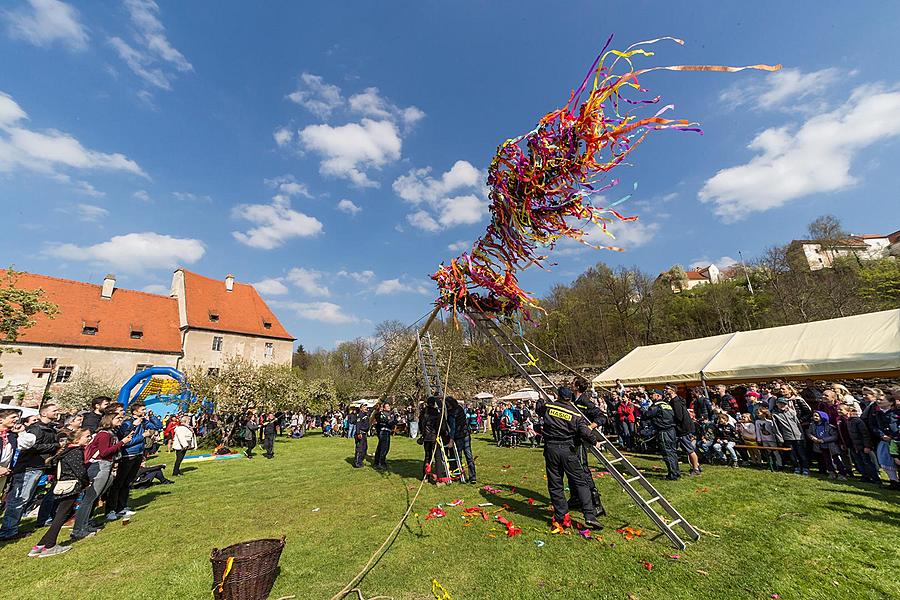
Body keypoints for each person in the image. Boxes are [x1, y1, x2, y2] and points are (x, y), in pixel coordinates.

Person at [536, 387, 602, 530]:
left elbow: (539, 409)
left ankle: (561, 515)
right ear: (570, 398)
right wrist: (595, 441)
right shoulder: (575, 414)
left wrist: (541, 397)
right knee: (581, 482)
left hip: (551, 449)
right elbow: (585, 431)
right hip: (568, 450)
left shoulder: (549, 406)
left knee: (555, 484)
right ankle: (590, 516)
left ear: (558, 396)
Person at [0, 403, 60, 541]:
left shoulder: (11, 435)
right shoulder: (37, 429)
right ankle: (8, 531)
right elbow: (33, 448)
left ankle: (9, 530)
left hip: (7, 473)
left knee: (21, 499)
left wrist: (21, 431)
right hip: (27, 468)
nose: (17, 420)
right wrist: (56, 445)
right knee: (18, 500)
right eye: (13, 417)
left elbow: (28, 443)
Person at [29, 427, 91, 558]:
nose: (89, 438)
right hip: (71, 485)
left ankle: (40, 545)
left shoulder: (67, 451)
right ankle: (50, 545)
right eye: (87, 436)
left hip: (62, 485)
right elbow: (80, 471)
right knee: (61, 516)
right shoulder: (76, 452)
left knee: (60, 515)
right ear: (77, 439)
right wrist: (86, 482)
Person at [105, 402, 161, 521]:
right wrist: (142, 435)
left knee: (127, 482)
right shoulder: (126, 423)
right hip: (128, 455)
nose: (144, 410)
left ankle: (122, 507)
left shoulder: (142, 421)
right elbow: (127, 441)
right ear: (135, 412)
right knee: (118, 483)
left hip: (138, 454)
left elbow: (157, 426)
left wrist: (151, 416)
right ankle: (111, 509)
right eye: (142, 409)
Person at [644, 390, 680, 479]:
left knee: (667, 453)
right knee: (673, 452)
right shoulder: (667, 405)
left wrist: (642, 409)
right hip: (671, 431)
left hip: (664, 431)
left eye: (652, 394)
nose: (650, 396)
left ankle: (672, 474)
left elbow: (646, 415)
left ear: (658, 396)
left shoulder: (656, 405)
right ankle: (676, 472)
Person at [668, 386, 701, 476]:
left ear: (673, 390)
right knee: (687, 448)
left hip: (683, 428)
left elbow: (679, 416)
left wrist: (670, 420)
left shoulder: (676, 402)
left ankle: (696, 469)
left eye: (667, 388)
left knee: (689, 449)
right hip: (685, 427)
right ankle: (696, 465)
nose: (665, 390)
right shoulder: (676, 400)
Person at [772, 396, 809, 476]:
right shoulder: (775, 415)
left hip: (798, 436)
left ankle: (805, 468)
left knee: (801, 453)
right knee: (792, 454)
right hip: (787, 437)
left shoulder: (792, 412)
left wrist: (802, 435)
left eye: (784, 404)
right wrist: (780, 438)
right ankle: (796, 467)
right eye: (780, 404)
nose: (782, 405)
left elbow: (798, 424)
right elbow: (776, 428)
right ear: (777, 404)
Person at [418, 397, 450, 483]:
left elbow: (420, 425)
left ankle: (425, 476)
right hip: (434, 437)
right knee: (437, 457)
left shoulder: (423, 412)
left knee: (427, 456)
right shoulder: (436, 413)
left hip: (426, 438)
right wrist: (444, 434)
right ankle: (439, 478)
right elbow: (440, 426)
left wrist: (423, 434)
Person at [446, 397, 476, 484]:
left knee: (458, 457)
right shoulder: (460, 408)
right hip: (466, 434)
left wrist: (451, 439)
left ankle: (460, 476)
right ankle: (472, 477)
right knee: (469, 456)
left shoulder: (452, 413)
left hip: (459, 436)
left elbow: (453, 427)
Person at [372, 401, 398, 471]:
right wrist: (392, 421)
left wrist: (395, 419)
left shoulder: (390, 414)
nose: (388, 407)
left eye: (389, 406)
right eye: (387, 406)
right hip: (383, 432)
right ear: (383, 408)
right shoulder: (382, 414)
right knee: (383, 448)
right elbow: (386, 421)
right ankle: (380, 463)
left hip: (387, 431)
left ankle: (379, 462)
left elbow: (392, 422)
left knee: (383, 447)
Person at [352, 404, 370, 469]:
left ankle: (360, 461)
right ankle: (357, 463)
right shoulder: (360, 415)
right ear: (361, 409)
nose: (366, 408)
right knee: (360, 448)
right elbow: (358, 425)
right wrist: (358, 433)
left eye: (366, 407)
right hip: (360, 434)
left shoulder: (366, 415)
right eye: (364, 407)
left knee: (365, 448)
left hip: (364, 434)